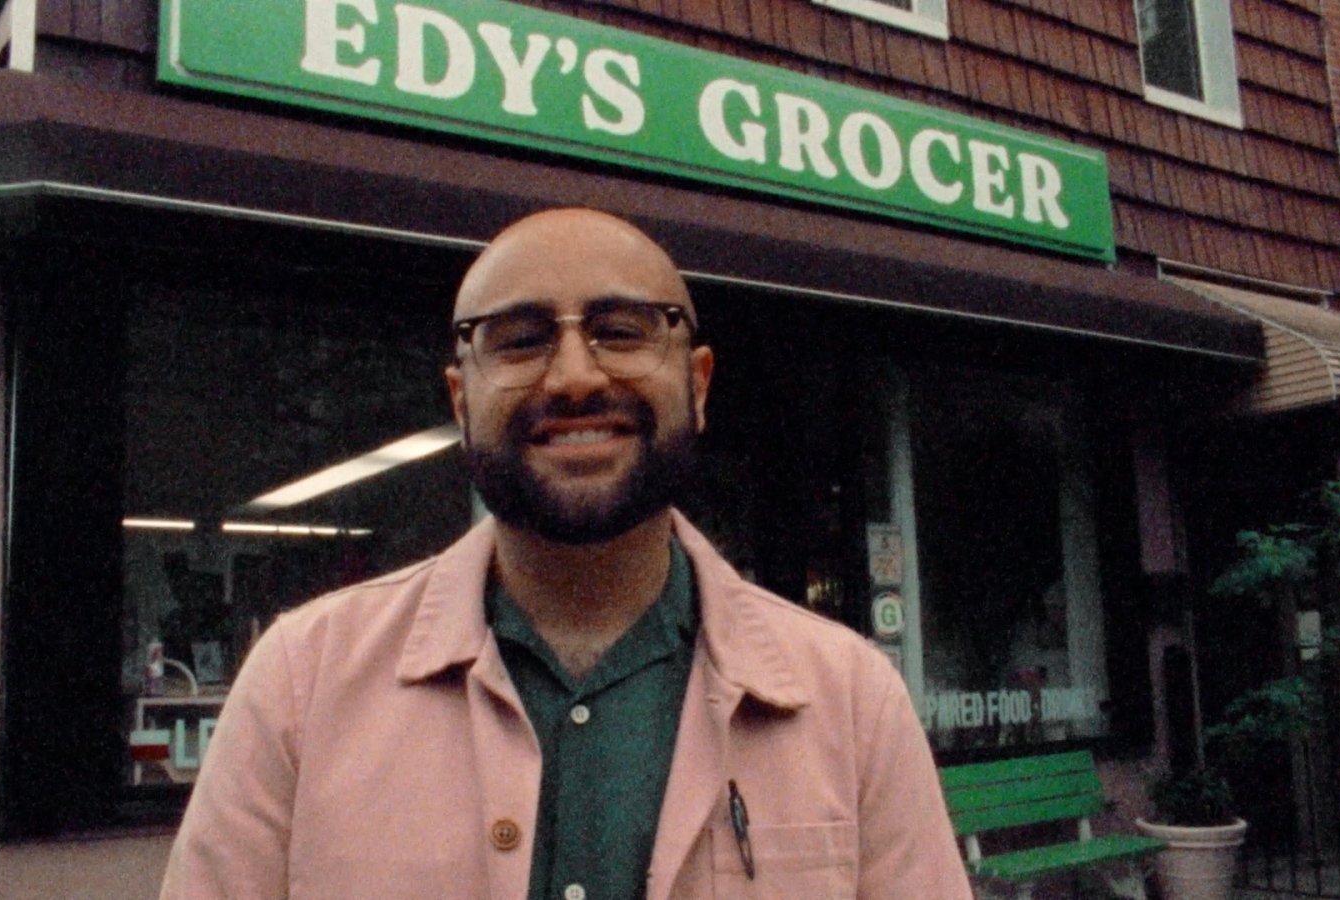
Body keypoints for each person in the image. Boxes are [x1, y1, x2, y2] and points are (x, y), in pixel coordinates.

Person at [158, 208, 973, 900]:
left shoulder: (853, 701)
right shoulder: (300, 684)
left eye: (621, 332)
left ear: (698, 383)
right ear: (460, 398)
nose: (575, 375)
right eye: (519, 340)